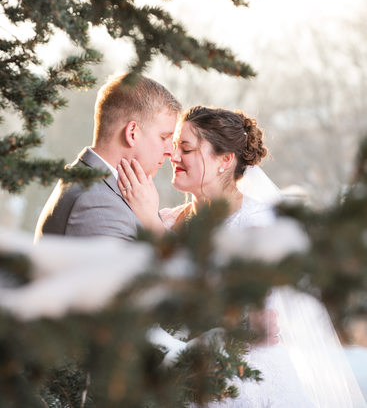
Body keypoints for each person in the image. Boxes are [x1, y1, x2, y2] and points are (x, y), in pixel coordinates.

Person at [117, 105, 367, 408]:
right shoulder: (167, 220)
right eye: (173, 148)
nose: (174, 156)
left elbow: (257, 327)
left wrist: (152, 227)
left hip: (242, 387)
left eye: (186, 148)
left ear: (225, 159)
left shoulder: (260, 224)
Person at [34, 74, 181, 243]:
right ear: (132, 133)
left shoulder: (92, 185)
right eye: (164, 137)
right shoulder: (97, 203)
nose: (171, 151)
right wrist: (155, 226)